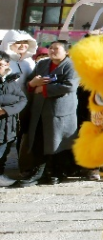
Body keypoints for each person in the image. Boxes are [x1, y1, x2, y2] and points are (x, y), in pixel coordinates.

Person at [10, 40, 79, 187]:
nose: (52, 51)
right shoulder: (42, 64)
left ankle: (54, 172)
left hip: (60, 110)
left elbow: (70, 85)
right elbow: (31, 81)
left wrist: (45, 90)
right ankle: (37, 171)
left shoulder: (72, 65)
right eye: (50, 48)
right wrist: (32, 84)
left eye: (56, 48)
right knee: (39, 139)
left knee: (57, 141)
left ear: (66, 51)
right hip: (39, 109)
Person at [0, 52, 28, 179]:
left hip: (7, 126)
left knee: (3, 154)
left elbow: (22, 100)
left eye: (0, 64)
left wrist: (6, 110)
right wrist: (10, 100)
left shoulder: (11, 81)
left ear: (7, 65)